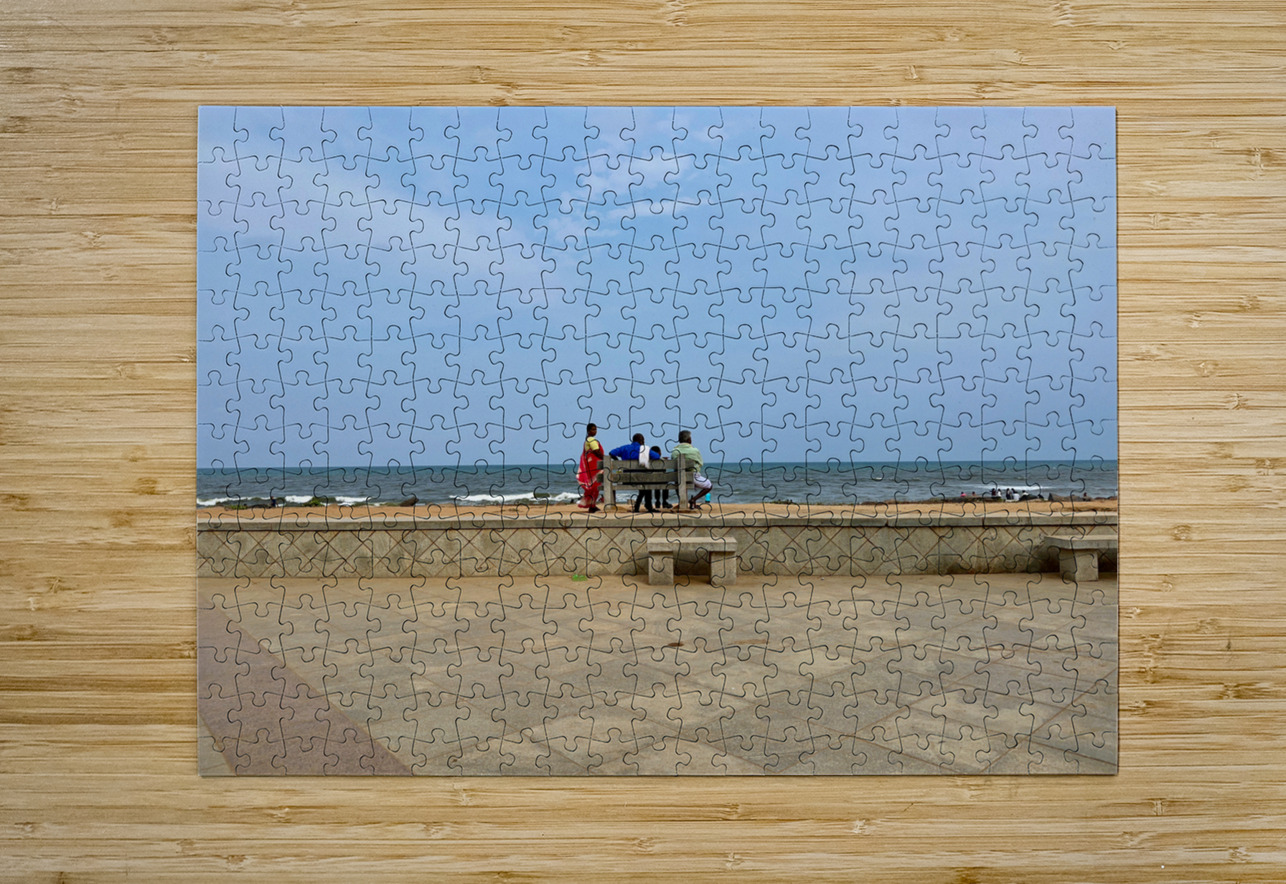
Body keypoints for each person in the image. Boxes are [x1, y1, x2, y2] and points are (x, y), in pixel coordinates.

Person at [609, 433, 654, 513]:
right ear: (641, 441)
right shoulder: (644, 449)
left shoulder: (624, 448)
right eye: (643, 440)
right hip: (641, 479)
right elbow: (657, 456)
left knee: (644, 486)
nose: (644, 442)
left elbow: (611, 453)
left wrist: (618, 462)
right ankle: (648, 506)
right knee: (647, 483)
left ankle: (638, 506)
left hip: (626, 479)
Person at [670, 430, 713, 509]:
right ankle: (693, 499)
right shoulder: (695, 451)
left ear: (679, 440)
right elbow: (701, 463)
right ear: (689, 440)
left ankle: (682, 502)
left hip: (678, 478)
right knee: (709, 485)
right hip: (692, 477)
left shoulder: (674, 451)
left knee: (680, 480)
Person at [577, 422, 603, 513]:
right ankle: (592, 506)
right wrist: (606, 459)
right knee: (595, 486)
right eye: (593, 429)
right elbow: (596, 451)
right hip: (594, 467)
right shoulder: (591, 440)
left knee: (594, 487)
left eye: (595, 429)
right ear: (588, 431)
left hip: (592, 467)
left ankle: (593, 505)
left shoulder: (588, 440)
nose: (595, 431)